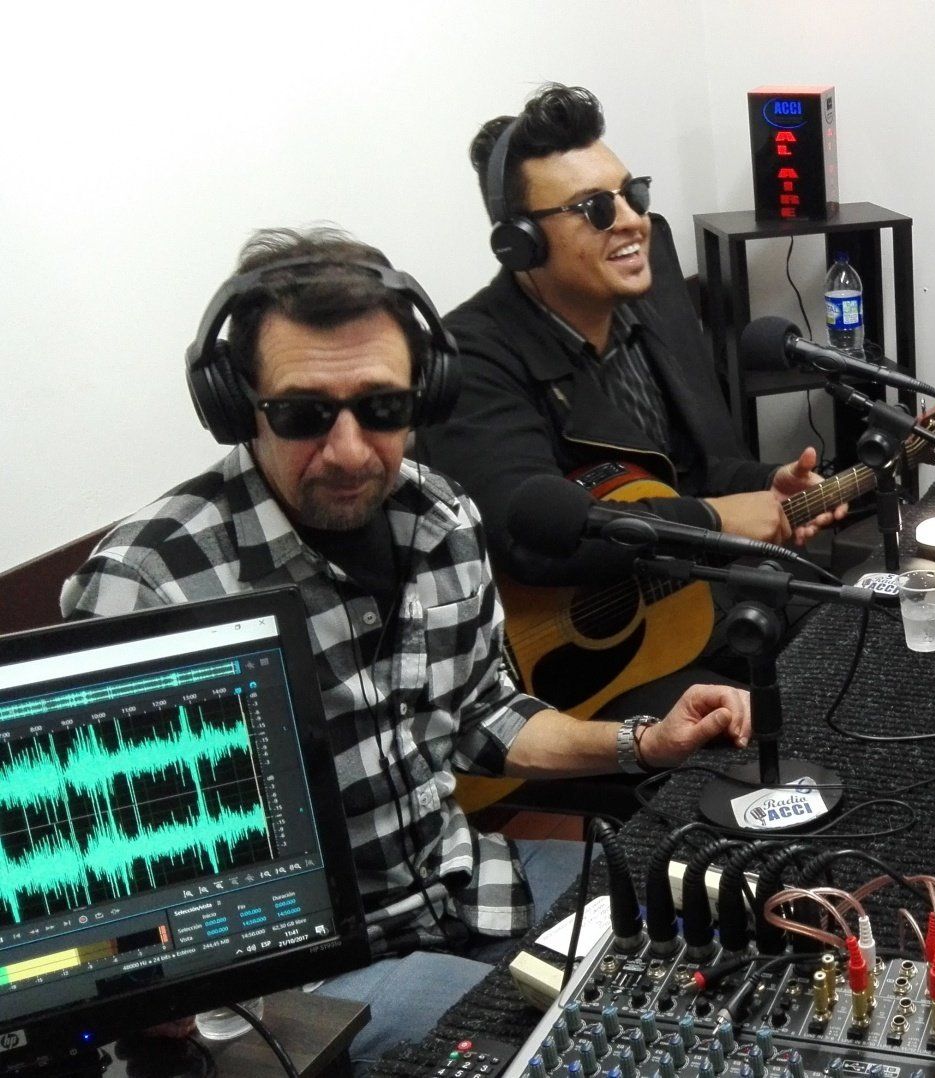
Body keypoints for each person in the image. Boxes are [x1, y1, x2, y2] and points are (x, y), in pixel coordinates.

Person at [62, 229, 753, 1070]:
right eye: (306, 414)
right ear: (239, 405)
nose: (352, 450)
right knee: (547, 1051)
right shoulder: (154, 582)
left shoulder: (443, 517)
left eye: (383, 409)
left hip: (468, 885)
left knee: (711, 943)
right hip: (307, 978)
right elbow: (122, 895)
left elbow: (485, 716)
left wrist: (642, 741)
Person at [417, 84, 843, 622]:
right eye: (596, 209)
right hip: (599, 658)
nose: (632, 221)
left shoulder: (649, 310)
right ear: (520, 244)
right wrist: (712, 520)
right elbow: (527, 538)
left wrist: (766, 483)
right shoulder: (468, 358)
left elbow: (694, 470)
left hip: (699, 597)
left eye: (631, 194)